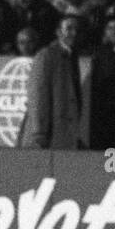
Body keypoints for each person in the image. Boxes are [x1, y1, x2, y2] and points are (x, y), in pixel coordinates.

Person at [18, 14, 89, 150]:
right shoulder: (46, 55)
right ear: (58, 32)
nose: (74, 33)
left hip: (62, 133)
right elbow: (37, 95)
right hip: (48, 136)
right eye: (69, 28)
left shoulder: (71, 55)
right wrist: (39, 133)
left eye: (77, 29)